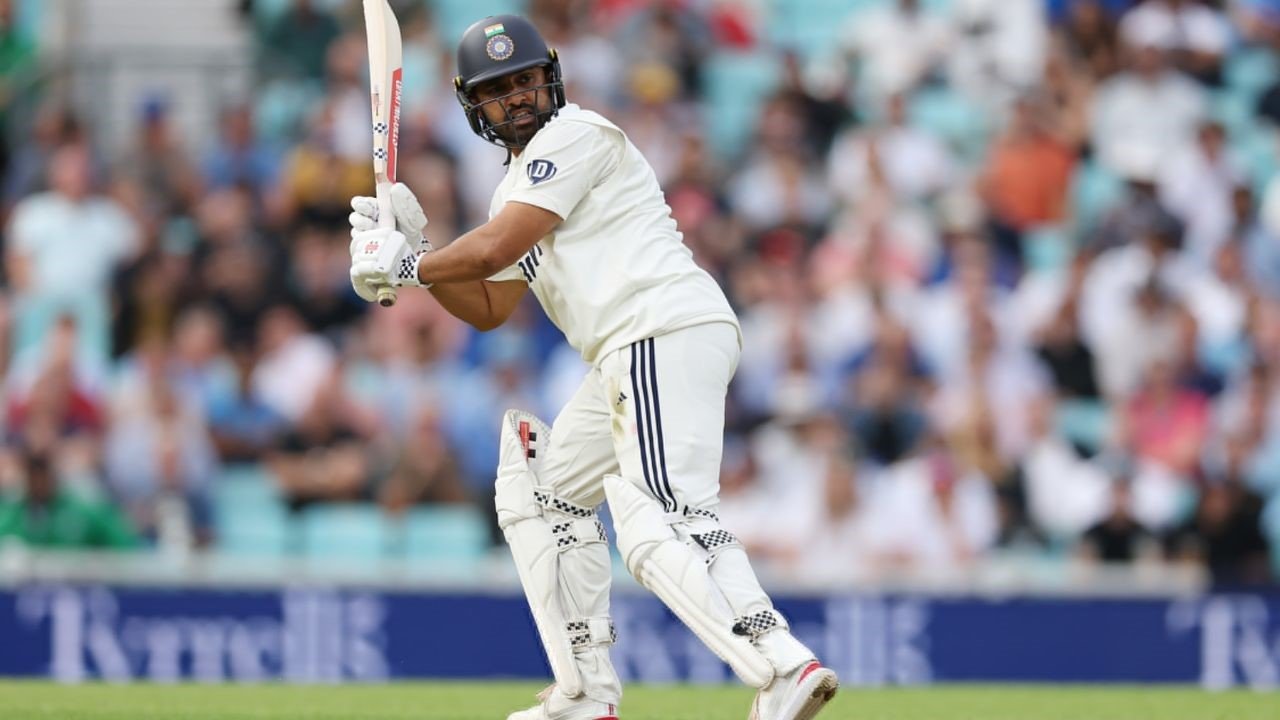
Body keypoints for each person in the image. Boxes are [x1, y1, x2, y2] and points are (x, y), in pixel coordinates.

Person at [347, 14, 838, 720]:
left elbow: (493, 249)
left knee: (661, 517)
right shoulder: (515, 191)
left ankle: (782, 664)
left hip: (658, 327)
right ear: (474, 107)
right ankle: (584, 695)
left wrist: (408, 265)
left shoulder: (577, 135)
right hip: (626, 353)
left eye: (524, 80)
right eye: (497, 90)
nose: (516, 98)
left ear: (550, 79)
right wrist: (417, 248)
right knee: (543, 491)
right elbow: (487, 303)